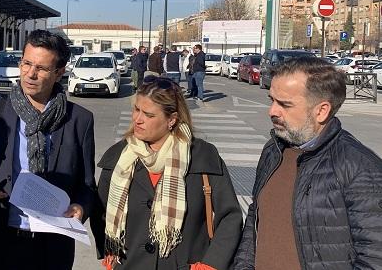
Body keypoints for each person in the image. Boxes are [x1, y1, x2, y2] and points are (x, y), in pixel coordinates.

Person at [0, 29, 96, 270]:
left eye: (41, 68)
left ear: (59, 72)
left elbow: (86, 185)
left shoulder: (79, 120)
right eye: (26, 64)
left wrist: (81, 207)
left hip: (52, 246)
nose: (30, 74)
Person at [232, 57, 382, 269]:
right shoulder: (273, 150)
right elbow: (255, 220)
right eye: (271, 100)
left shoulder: (360, 167)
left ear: (321, 111)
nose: (272, 111)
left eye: (284, 104)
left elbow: (375, 257)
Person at [92, 75, 243, 270]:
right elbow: (100, 210)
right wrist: (109, 250)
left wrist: (212, 263)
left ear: (171, 119)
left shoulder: (202, 156)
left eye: (149, 115)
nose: (138, 119)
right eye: (136, 110)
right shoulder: (119, 158)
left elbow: (230, 215)